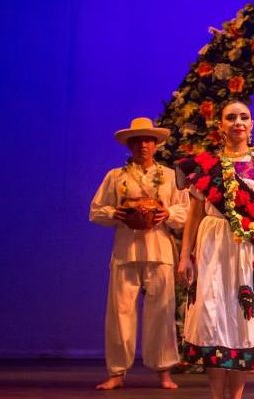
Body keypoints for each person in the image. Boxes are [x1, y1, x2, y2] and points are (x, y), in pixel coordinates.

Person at [176, 101, 254, 399]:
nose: (238, 122)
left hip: (249, 249)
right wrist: (185, 255)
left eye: (244, 117)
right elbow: (194, 215)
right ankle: (215, 394)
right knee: (212, 316)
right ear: (221, 125)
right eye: (231, 117)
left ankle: (236, 395)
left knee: (241, 320)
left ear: (252, 124)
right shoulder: (206, 166)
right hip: (212, 244)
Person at [89, 117, 188, 390]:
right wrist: (114, 212)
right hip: (126, 250)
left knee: (162, 313)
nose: (143, 145)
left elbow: (185, 210)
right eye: (138, 140)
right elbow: (96, 210)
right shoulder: (116, 176)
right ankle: (117, 372)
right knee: (120, 311)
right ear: (130, 144)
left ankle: (164, 370)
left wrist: (167, 212)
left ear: (155, 144)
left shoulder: (168, 175)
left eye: (148, 140)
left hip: (159, 249)